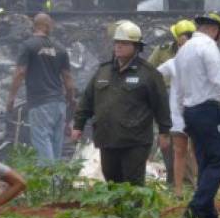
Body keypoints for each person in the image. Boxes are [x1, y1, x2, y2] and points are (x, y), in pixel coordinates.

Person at [72, 21, 171, 186]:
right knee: (112, 181)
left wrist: (164, 133)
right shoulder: (103, 71)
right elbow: (87, 100)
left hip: (135, 140)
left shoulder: (148, 74)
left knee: (133, 183)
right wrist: (78, 125)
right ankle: (117, 212)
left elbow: (161, 105)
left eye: (124, 43)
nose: (118, 46)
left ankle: (133, 212)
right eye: (117, 42)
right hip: (107, 138)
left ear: (136, 46)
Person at [175, 12, 220, 218]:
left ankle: (208, 214)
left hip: (190, 110)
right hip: (208, 109)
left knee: (205, 160)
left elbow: (178, 86)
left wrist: (179, 114)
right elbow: (218, 80)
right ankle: (195, 208)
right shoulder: (208, 47)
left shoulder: (183, 49)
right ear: (215, 30)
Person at [6, 13, 75, 162]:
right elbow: (68, 80)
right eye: (51, 25)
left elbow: (20, 73)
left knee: (43, 145)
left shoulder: (28, 46)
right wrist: (70, 101)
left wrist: (11, 98)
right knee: (56, 147)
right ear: (45, 26)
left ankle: (45, 183)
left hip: (40, 104)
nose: (52, 27)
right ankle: (54, 183)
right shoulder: (60, 49)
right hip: (59, 104)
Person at [150, 19, 196, 194]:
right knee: (167, 142)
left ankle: (189, 182)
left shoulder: (198, 54)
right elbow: (150, 72)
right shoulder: (164, 52)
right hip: (166, 98)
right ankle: (173, 181)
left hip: (189, 99)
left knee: (189, 145)